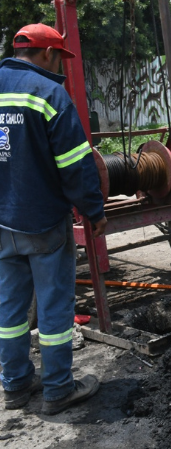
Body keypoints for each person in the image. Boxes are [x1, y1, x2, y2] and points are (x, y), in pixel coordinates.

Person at [0, 24, 107, 414]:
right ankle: (58, 388)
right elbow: (75, 165)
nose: (60, 63)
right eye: (59, 56)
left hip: (2, 222)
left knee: (9, 309)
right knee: (54, 307)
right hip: (42, 221)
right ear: (47, 54)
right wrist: (93, 211)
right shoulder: (48, 93)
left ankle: (14, 385)